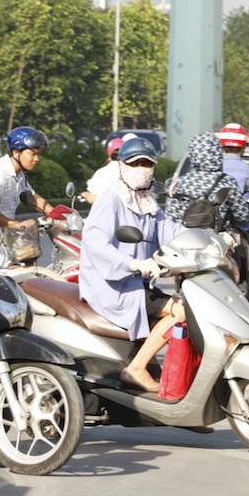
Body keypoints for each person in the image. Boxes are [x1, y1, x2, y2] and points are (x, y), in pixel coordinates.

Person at [79, 137, 186, 393]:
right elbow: (94, 243)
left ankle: (175, 389)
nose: (141, 169)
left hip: (137, 284)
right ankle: (136, 368)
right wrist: (133, 263)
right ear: (122, 166)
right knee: (181, 312)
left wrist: (211, 239)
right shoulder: (111, 198)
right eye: (135, 163)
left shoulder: (149, 202)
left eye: (146, 164)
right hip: (114, 285)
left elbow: (172, 232)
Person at [166, 132, 249, 233]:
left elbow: (171, 216)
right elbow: (241, 216)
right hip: (218, 239)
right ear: (218, 153)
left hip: (184, 239)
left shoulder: (181, 182)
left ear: (193, 154)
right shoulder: (227, 181)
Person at [217, 122, 249, 286]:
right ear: (243, 146)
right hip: (239, 224)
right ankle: (248, 282)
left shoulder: (210, 170)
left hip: (210, 225)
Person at [0, 126, 54, 230]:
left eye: (38, 154)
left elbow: (33, 198)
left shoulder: (19, 174)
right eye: (32, 154)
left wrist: (57, 215)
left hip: (7, 234)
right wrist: (17, 224)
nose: (36, 159)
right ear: (16, 153)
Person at [82, 134, 131, 204]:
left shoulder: (101, 173)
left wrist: (85, 195)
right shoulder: (133, 172)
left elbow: (92, 199)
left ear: (109, 154)